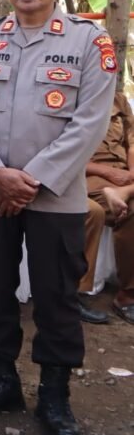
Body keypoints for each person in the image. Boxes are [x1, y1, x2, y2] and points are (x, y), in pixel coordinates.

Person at [0, 0, 115, 435]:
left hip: (57, 197)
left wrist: (32, 181)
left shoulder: (90, 42)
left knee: (55, 295)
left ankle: (54, 395)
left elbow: (90, 120)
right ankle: (1, 381)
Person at [81, 89, 134, 325]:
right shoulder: (68, 92)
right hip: (86, 175)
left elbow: (131, 142)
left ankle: (126, 191)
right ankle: (127, 296)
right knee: (130, 211)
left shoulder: (118, 98)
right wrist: (107, 172)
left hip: (122, 176)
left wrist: (131, 173)